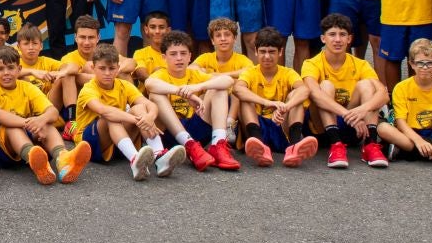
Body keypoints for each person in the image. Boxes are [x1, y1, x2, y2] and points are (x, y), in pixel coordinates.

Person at [0, 44, 91, 185]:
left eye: (11, 68)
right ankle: (33, 156)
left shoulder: (27, 87)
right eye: (0, 69)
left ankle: (63, 160)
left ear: (19, 69)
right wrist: (29, 123)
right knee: (12, 126)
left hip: (23, 134)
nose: (6, 73)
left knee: (46, 124)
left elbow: (53, 112)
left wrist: (41, 120)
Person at [143, 29, 242, 172]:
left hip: (196, 130)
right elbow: (149, 84)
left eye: (183, 53)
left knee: (217, 89)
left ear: (190, 56)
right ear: (164, 57)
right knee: (155, 95)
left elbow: (227, 81)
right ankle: (188, 144)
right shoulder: (160, 75)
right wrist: (185, 93)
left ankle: (218, 144)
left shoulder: (195, 74)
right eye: (173, 54)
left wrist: (198, 86)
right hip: (169, 134)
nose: (179, 58)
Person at [300, 15, 388, 169]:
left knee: (367, 85)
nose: (337, 40)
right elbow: (315, 95)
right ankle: (336, 145)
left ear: (350, 39)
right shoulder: (311, 63)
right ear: (323, 39)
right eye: (332, 35)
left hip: (353, 126)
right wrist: (348, 115)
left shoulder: (361, 64)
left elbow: (383, 94)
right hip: (320, 129)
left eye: (342, 35)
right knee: (325, 86)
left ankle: (370, 145)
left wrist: (362, 110)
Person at [73, 44, 166, 181]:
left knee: (139, 109)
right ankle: (135, 160)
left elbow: (149, 104)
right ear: (93, 68)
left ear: (118, 68)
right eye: (102, 68)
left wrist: (150, 117)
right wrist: (139, 121)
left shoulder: (124, 85)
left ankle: (160, 156)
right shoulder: (88, 89)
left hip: (117, 142)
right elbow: (104, 111)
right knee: (111, 116)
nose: (107, 73)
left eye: (111, 69)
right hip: (89, 145)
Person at [233, 27, 316, 166]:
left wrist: (285, 107)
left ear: (281, 52)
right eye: (262, 51)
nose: (267, 56)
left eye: (272, 52)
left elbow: (305, 90)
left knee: (296, 95)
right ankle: (259, 145)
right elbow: (237, 89)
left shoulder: (287, 72)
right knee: (244, 97)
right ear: (255, 51)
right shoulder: (250, 72)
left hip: (280, 124)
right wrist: (267, 102)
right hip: (257, 125)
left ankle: (294, 146)